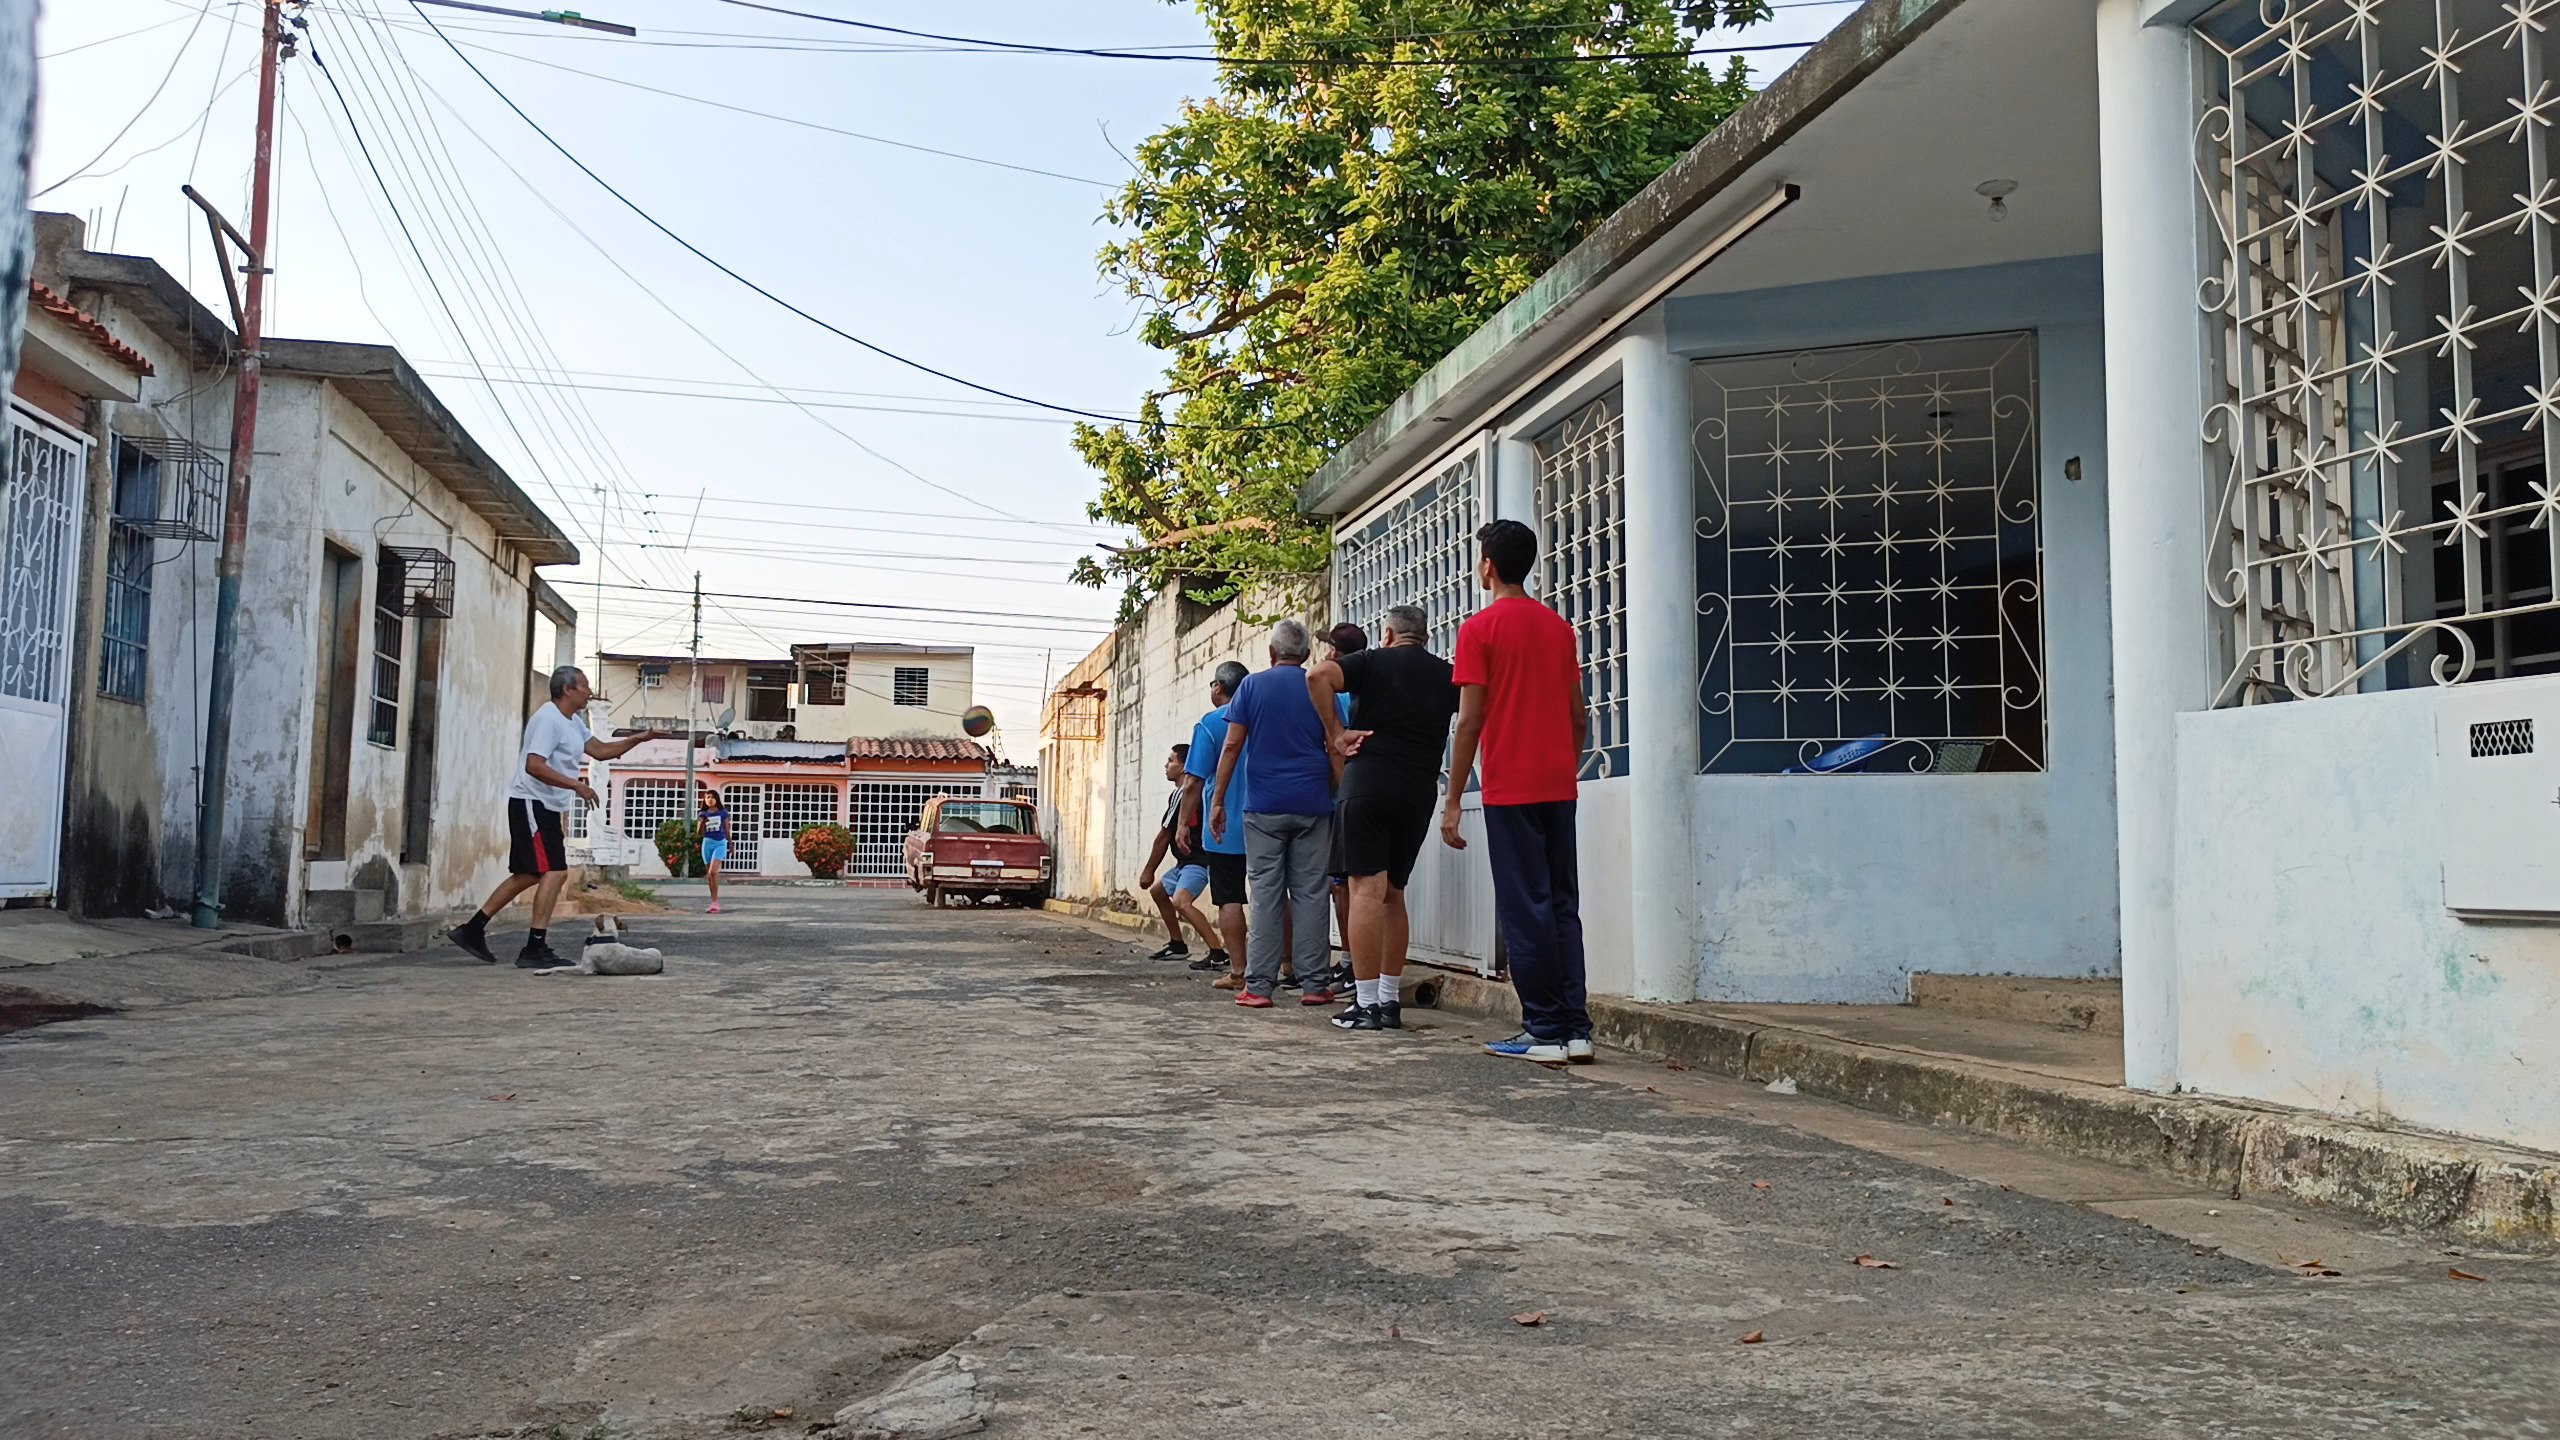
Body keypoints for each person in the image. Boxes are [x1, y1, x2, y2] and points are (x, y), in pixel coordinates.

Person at [1444, 520, 1594, 1064]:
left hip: (1510, 787)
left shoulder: (1478, 629)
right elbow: (1579, 718)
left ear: (1488, 565)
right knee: (1560, 907)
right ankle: (1576, 1029)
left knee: (1524, 908)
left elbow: (1469, 722)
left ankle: (1544, 1030)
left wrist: (1455, 796)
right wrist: (1563, 765)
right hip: (1558, 785)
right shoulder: (1559, 628)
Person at [450, 667, 669, 969]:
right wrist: (576, 784)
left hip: (546, 807)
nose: (589, 691)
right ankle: (533, 947)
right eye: (585, 686)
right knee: (554, 872)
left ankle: (472, 930)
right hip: (532, 802)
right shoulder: (548, 720)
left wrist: (640, 738)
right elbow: (534, 765)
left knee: (530, 873)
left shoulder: (572, 722)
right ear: (567, 690)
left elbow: (601, 750)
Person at [1310, 604, 1458, 1032]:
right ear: (1425, 638)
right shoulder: (1445, 674)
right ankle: (1390, 1002)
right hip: (1417, 791)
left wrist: (1337, 734)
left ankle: (1366, 1003)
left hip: (1369, 784)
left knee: (1364, 891)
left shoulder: (1372, 661)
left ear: (1389, 635)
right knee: (1394, 892)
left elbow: (1317, 676)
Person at [1210, 620, 1339, 1010]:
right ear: (1306, 656)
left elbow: (1232, 746)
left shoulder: (1251, 686)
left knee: (1266, 894)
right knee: (1312, 893)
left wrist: (1217, 800)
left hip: (1264, 805)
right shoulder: (1319, 685)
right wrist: (1337, 793)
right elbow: (1335, 744)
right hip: (1313, 803)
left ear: (1271, 653)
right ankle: (1315, 984)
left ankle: (1259, 986)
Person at [1178, 663, 1252, 990]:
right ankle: (1289, 965)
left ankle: (1239, 971)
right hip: (1268, 820)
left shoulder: (1211, 724)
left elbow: (1193, 781)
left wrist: (1183, 825)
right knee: (1277, 894)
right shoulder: (1262, 719)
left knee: (1229, 897)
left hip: (1224, 827)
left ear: (1218, 687)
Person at [1138, 743, 1225, 966]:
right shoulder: (1189, 793)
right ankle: (1177, 944)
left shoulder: (1185, 793)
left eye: (1171, 761)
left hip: (1199, 861)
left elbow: (1164, 836)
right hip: (1185, 863)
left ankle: (1218, 953)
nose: (1166, 765)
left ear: (1184, 766)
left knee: (1181, 902)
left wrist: (1149, 870)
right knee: (1159, 892)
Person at [1317, 621, 1366, 991]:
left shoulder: (1334, 694)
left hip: (1342, 796)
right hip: (1365, 789)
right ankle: (1355, 962)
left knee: (1343, 886)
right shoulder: (1365, 690)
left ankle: (1351, 962)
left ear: (1335, 653)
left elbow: (1335, 748)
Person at [698, 788, 729, 914]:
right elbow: (699, 833)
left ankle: (715, 903)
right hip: (707, 843)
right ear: (705, 800)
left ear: (716, 799)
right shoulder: (703, 814)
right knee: (710, 876)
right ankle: (714, 902)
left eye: (712, 797)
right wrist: (702, 823)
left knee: (713, 871)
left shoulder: (723, 813)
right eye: (707, 797)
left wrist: (731, 843)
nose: (710, 799)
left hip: (720, 843)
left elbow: (727, 829)